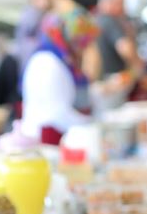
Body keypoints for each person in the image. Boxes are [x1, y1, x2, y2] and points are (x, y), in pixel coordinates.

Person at [22, 8, 99, 145]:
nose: (83, 48)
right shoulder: (47, 62)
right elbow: (56, 113)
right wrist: (93, 125)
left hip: (56, 136)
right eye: (81, 42)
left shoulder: (63, 60)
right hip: (44, 140)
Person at [94, 0, 142, 79]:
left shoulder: (96, 19)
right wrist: (141, 70)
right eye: (120, 3)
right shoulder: (109, 20)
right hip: (114, 79)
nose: (123, 9)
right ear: (108, 2)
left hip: (104, 78)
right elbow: (125, 48)